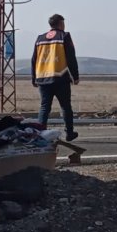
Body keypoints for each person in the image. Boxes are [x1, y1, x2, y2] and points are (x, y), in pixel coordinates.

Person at [31, 13, 80, 141]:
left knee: (44, 107)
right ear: (60, 23)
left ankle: (40, 134)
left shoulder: (40, 38)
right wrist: (75, 76)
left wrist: (33, 78)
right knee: (65, 106)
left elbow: (34, 60)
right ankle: (69, 133)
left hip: (42, 78)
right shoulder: (64, 36)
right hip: (60, 77)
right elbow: (71, 58)